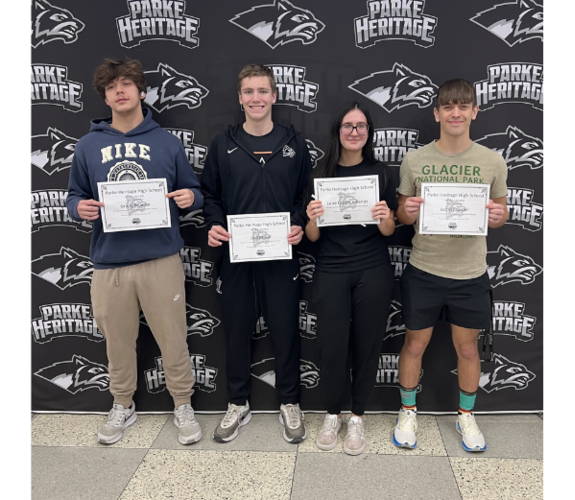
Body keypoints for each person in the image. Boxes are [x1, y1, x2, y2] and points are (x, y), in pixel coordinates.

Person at [66, 58, 204, 446]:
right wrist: (79, 208)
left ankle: (182, 403)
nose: (119, 91)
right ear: (105, 96)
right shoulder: (88, 145)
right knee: (117, 342)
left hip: (160, 258)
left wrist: (189, 197)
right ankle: (122, 403)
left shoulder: (166, 142)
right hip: (109, 262)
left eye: (126, 83)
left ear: (142, 91)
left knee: (173, 338)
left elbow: (194, 191)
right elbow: (74, 196)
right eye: (111, 86)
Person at [391, 79, 508, 452]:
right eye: (448, 106)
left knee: (468, 349)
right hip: (424, 270)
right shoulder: (415, 160)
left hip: (470, 274)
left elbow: (501, 212)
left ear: (475, 111)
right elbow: (401, 214)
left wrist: (499, 217)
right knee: (414, 344)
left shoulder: (492, 161)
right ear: (437, 113)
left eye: (463, 106)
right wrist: (407, 212)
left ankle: (466, 415)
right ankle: (407, 411)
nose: (455, 113)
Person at [200, 64, 312, 444]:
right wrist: (214, 223)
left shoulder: (294, 144)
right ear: (239, 98)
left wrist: (298, 222)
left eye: (263, 91)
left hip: (281, 255)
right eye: (248, 91)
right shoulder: (223, 144)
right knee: (236, 330)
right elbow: (210, 195)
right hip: (237, 255)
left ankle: (290, 402)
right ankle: (237, 403)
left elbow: (305, 196)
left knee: (286, 330)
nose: (256, 98)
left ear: (274, 96)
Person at [303, 103, 398, 455]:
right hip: (331, 269)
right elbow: (312, 237)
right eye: (348, 126)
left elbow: (389, 231)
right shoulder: (319, 174)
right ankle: (333, 413)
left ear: (369, 132)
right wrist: (312, 218)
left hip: (373, 268)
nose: (354, 132)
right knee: (332, 348)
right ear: (337, 131)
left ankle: (357, 416)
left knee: (367, 346)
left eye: (361, 126)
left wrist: (385, 216)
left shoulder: (382, 173)